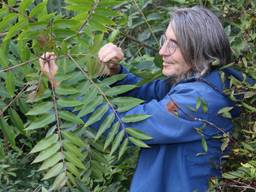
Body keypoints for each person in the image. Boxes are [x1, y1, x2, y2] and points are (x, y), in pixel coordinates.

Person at [40, 6, 240, 192]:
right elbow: (142, 94)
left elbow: (124, 123)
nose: (162, 51)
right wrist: (115, 72)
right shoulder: (200, 82)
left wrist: (63, 86)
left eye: (173, 45)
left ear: (197, 49)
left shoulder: (199, 100)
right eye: (165, 41)